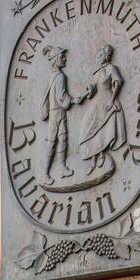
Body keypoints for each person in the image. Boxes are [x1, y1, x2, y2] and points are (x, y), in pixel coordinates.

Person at [39, 46, 92, 186]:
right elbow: (62, 99)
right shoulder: (60, 77)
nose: (65, 59)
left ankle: (62, 168)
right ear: (56, 59)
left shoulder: (52, 75)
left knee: (63, 140)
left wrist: (73, 100)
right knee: (52, 143)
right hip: (57, 113)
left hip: (57, 113)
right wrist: (75, 100)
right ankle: (45, 174)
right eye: (62, 57)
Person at [77, 45, 128, 178]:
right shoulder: (98, 72)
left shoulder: (111, 68)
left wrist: (112, 100)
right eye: (98, 56)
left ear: (106, 56)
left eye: (100, 55)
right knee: (88, 127)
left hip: (107, 99)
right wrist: (89, 89)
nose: (98, 58)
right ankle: (93, 160)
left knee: (103, 128)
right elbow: (93, 87)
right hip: (97, 102)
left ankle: (100, 155)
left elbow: (118, 83)